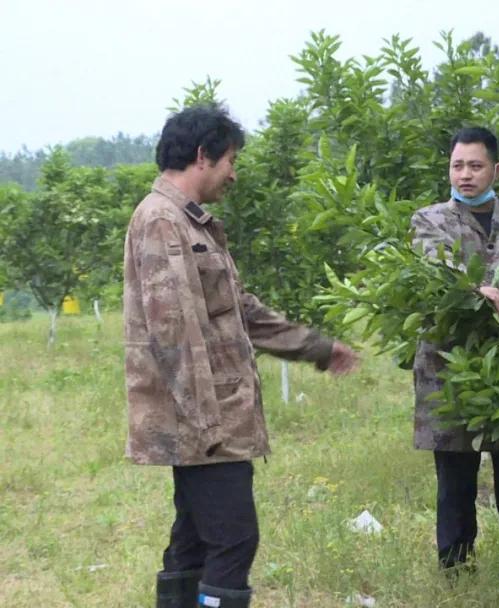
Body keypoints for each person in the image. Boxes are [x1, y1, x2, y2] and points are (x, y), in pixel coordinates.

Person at [123, 104, 358, 608]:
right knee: (232, 539)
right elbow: (175, 334)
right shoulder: (162, 221)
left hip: (207, 417)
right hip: (204, 421)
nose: (234, 172)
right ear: (204, 155)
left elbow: (239, 311)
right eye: (231, 159)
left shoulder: (192, 224)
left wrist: (316, 346)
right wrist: (209, 425)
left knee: (194, 540)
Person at [410, 126, 499, 584]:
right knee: (455, 475)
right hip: (449, 367)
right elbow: (432, 269)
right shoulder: (429, 219)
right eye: (457, 165)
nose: (465, 175)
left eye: (475, 165)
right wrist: (478, 290)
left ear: (497, 169)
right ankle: (455, 570)